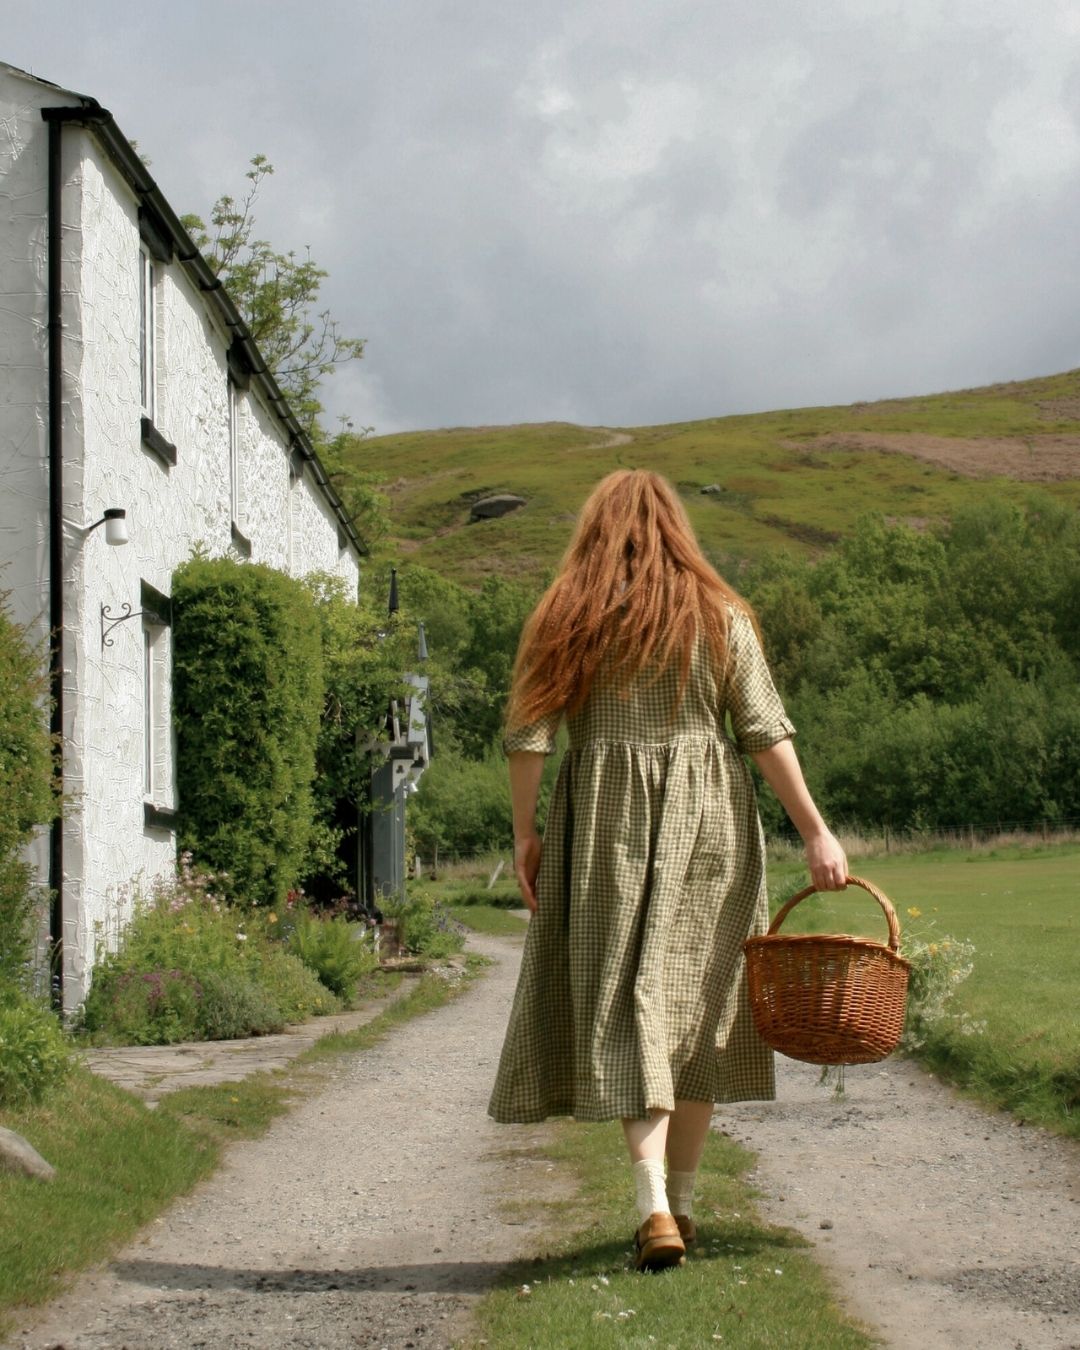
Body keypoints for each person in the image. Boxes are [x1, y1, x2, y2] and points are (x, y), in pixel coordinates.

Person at [487, 469, 848, 1271]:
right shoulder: (721, 616)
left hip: (601, 826)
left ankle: (655, 1203)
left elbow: (528, 737)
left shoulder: (566, 616)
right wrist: (817, 833)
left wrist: (525, 835)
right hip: (709, 822)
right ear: (677, 529)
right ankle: (677, 1205)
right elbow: (764, 733)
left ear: (595, 530)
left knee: (625, 995)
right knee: (697, 1004)